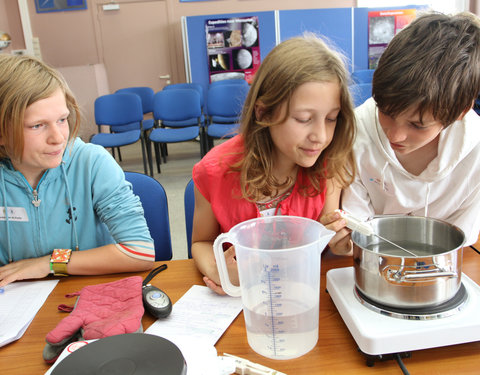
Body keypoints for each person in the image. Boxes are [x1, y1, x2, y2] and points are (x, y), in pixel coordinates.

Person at [192, 34, 356, 294]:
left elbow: (328, 249)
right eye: (303, 119)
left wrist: (337, 243)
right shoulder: (214, 171)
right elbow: (201, 242)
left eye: (332, 118)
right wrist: (217, 270)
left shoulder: (329, 167)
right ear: (263, 112)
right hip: (242, 303)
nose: (321, 137)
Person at [0, 54, 155, 287]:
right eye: (37, 125)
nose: (58, 137)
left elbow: (140, 251)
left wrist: (50, 263)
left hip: (86, 293)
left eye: (62, 120)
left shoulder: (91, 163)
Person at [342, 11, 480, 251]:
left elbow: (460, 244)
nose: (394, 135)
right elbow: (353, 236)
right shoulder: (356, 135)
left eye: (417, 125)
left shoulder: (475, 152)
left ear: (461, 112)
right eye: (385, 111)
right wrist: (343, 240)